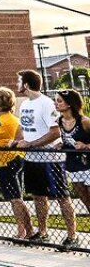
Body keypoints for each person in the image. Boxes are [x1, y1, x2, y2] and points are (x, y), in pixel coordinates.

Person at [14, 70, 77, 248]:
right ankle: (42, 233)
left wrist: (31, 144)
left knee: (62, 197)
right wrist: (18, 141)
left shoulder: (46, 104)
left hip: (51, 159)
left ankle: (72, 236)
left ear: (26, 84)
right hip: (32, 160)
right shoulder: (25, 104)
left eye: (19, 81)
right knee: (38, 197)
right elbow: (24, 128)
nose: (16, 84)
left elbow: (54, 131)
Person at [0, 86, 32, 239]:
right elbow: (18, 137)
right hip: (17, 159)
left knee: (15, 198)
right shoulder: (16, 120)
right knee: (18, 196)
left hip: (3, 163)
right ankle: (25, 230)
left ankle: (25, 230)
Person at [57, 90, 90, 220]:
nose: (56, 103)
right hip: (73, 167)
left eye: (59, 101)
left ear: (69, 104)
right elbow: (65, 141)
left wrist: (86, 146)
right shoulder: (58, 122)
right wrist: (60, 145)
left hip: (88, 165)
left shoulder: (84, 121)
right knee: (86, 202)